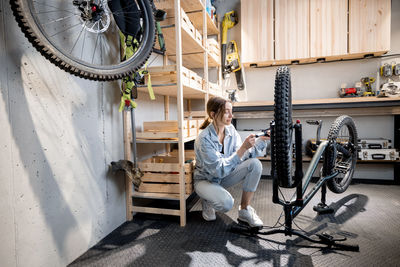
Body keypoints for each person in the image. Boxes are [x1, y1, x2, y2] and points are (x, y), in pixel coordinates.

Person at [194, 96, 269, 227]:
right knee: (226, 203)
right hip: (206, 180)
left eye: (231, 111)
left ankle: (245, 209)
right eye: (226, 111)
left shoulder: (231, 130)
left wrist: (262, 140)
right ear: (213, 114)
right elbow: (218, 170)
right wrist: (242, 148)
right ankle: (207, 199)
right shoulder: (204, 139)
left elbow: (244, 156)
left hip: (223, 176)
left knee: (255, 164)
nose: (231, 115)